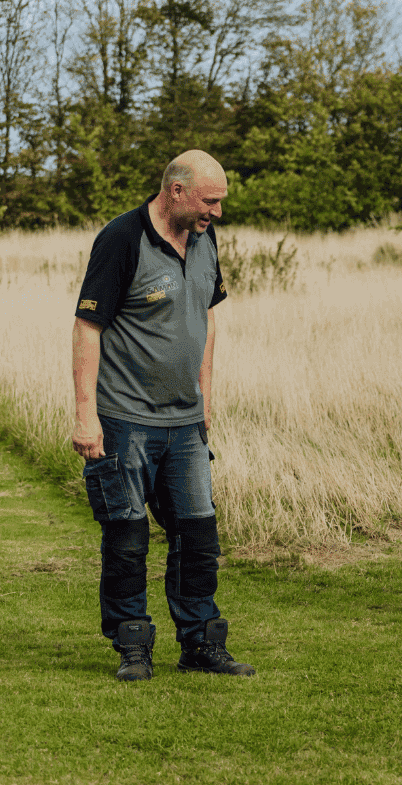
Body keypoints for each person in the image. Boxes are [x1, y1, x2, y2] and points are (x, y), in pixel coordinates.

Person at [71, 149, 255, 681]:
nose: (217, 213)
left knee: (199, 536)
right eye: (209, 201)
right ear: (176, 190)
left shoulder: (204, 239)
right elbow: (88, 328)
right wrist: (87, 417)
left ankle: (200, 644)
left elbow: (207, 318)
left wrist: (206, 400)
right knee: (127, 539)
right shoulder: (122, 240)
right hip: (125, 420)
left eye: (220, 203)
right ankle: (133, 645)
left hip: (185, 424)